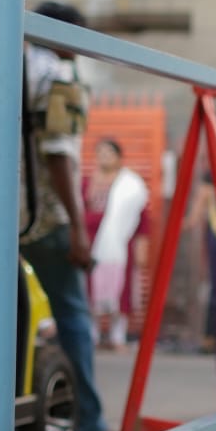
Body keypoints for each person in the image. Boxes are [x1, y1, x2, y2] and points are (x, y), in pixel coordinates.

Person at [20, 2, 113, 431]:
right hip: (44, 219)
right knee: (74, 317)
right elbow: (60, 153)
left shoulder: (10, 58)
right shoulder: (61, 75)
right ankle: (90, 421)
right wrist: (78, 228)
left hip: (3, 216)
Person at [83, 138, 150, 348]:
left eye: (109, 153)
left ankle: (117, 335)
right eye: (100, 152)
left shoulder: (130, 184)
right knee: (89, 286)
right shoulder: (86, 181)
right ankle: (91, 334)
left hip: (119, 243)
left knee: (122, 289)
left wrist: (142, 245)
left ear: (119, 157)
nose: (104, 157)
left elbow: (142, 217)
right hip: (90, 241)